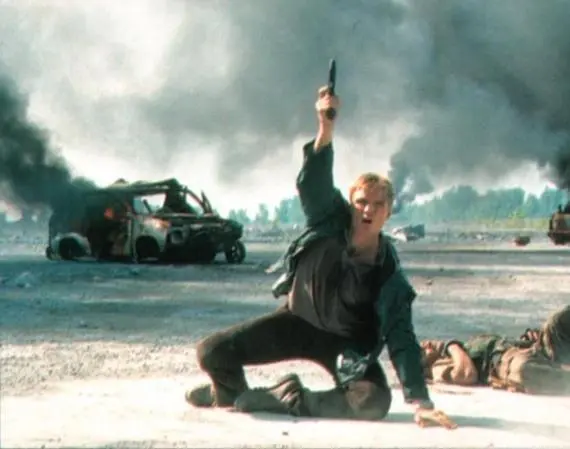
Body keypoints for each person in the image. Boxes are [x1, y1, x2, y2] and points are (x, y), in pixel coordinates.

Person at [184, 85, 456, 429]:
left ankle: (289, 397)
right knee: (212, 352)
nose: (368, 210)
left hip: (344, 345)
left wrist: (421, 402)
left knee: (372, 401)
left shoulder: (389, 274)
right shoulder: (328, 219)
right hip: (295, 322)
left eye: (377, 205)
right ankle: (228, 392)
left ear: (388, 213)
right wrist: (325, 127)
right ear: (351, 204)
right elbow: (315, 184)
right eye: (361, 202)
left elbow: (402, 337)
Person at [420, 305, 570, 394]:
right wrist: (451, 346)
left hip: (531, 348)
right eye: (422, 349)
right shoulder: (438, 367)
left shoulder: (459, 349)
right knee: (525, 370)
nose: (427, 344)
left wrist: (528, 339)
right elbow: (466, 374)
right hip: (507, 364)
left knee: (557, 322)